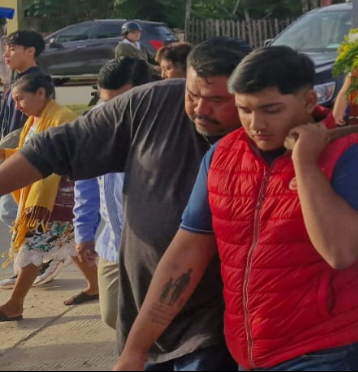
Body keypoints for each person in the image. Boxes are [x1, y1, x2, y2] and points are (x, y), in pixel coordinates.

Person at [114, 46, 358, 371]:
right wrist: (135, 350)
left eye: (271, 110)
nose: (256, 124)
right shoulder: (222, 155)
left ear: (309, 101)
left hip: (323, 348)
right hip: (250, 350)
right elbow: (184, 257)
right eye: (244, 109)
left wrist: (305, 164)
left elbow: (342, 252)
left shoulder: (350, 153)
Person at [0, 38, 251, 370]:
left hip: (223, 330)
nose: (201, 109)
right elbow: (56, 147)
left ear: (250, 96)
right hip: (146, 324)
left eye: (218, 100)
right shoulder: (153, 103)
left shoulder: (266, 141)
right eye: (192, 95)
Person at [0, 73, 91, 322]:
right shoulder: (35, 120)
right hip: (56, 199)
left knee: (33, 246)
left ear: (41, 93)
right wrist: (5, 154)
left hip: (57, 199)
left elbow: (65, 160)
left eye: (21, 99)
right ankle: (95, 285)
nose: (18, 105)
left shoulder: (63, 119)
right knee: (69, 245)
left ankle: (15, 304)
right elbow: (28, 155)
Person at [72, 57, 153, 327]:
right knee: (113, 316)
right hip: (113, 243)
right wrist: (84, 232)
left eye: (122, 101)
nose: (114, 110)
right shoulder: (95, 125)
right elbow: (85, 183)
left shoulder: (167, 127)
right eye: (107, 102)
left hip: (158, 246)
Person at [0, 30, 48, 231]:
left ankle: (33, 254)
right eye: (5, 50)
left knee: (12, 211)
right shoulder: (19, 80)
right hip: (14, 152)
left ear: (30, 51)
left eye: (12, 49)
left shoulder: (37, 82)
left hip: (24, 155)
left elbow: (32, 126)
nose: (6, 55)